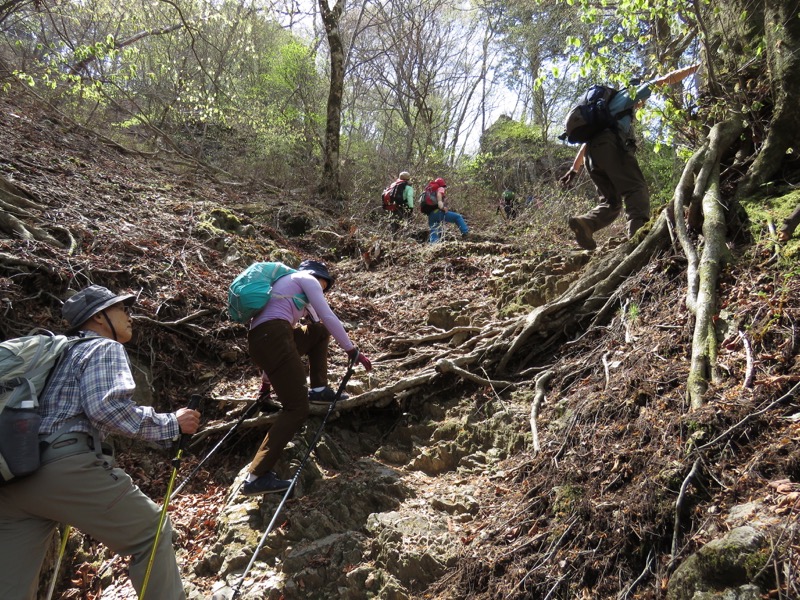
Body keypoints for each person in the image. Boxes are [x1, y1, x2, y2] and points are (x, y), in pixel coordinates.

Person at [0, 285, 201, 600]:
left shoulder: (55, 356)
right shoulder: (103, 348)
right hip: (63, 469)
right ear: (97, 317)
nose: (129, 316)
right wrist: (170, 423)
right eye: (122, 309)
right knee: (151, 531)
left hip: (15, 477)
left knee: (9, 587)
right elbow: (107, 409)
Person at [242, 260, 372, 496]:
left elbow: (315, 328)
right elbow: (328, 316)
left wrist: (265, 384)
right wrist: (351, 350)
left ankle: (319, 388)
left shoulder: (285, 287)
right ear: (318, 277)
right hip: (275, 337)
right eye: (325, 284)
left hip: (263, 339)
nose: (324, 289)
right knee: (296, 408)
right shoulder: (307, 280)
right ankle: (257, 476)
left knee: (318, 332)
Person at [560, 64, 700, 250]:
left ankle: (586, 223)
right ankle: (638, 241)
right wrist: (694, 68)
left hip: (592, 156)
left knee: (612, 202)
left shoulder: (604, 111)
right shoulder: (629, 94)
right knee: (635, 189)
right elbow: (663, 80)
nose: (642, 103)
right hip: (611, 148)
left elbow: (588, 143)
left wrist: (574, 169)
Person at [425, 177, 469, 243]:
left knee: (434, 230)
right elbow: (439, 198)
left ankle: (434, 245)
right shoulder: (440, 188)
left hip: (430, 214)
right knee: (457, 217)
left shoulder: (429, 190)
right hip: (438, 212)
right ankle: (466, 234)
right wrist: (442, 207)